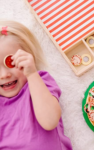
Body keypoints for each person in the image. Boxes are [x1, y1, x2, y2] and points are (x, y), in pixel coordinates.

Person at [0, 20, 73, 150]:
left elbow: (50, 121)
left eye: (11, 63)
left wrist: (32, 74)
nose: (4, 75)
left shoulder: (39, 82)